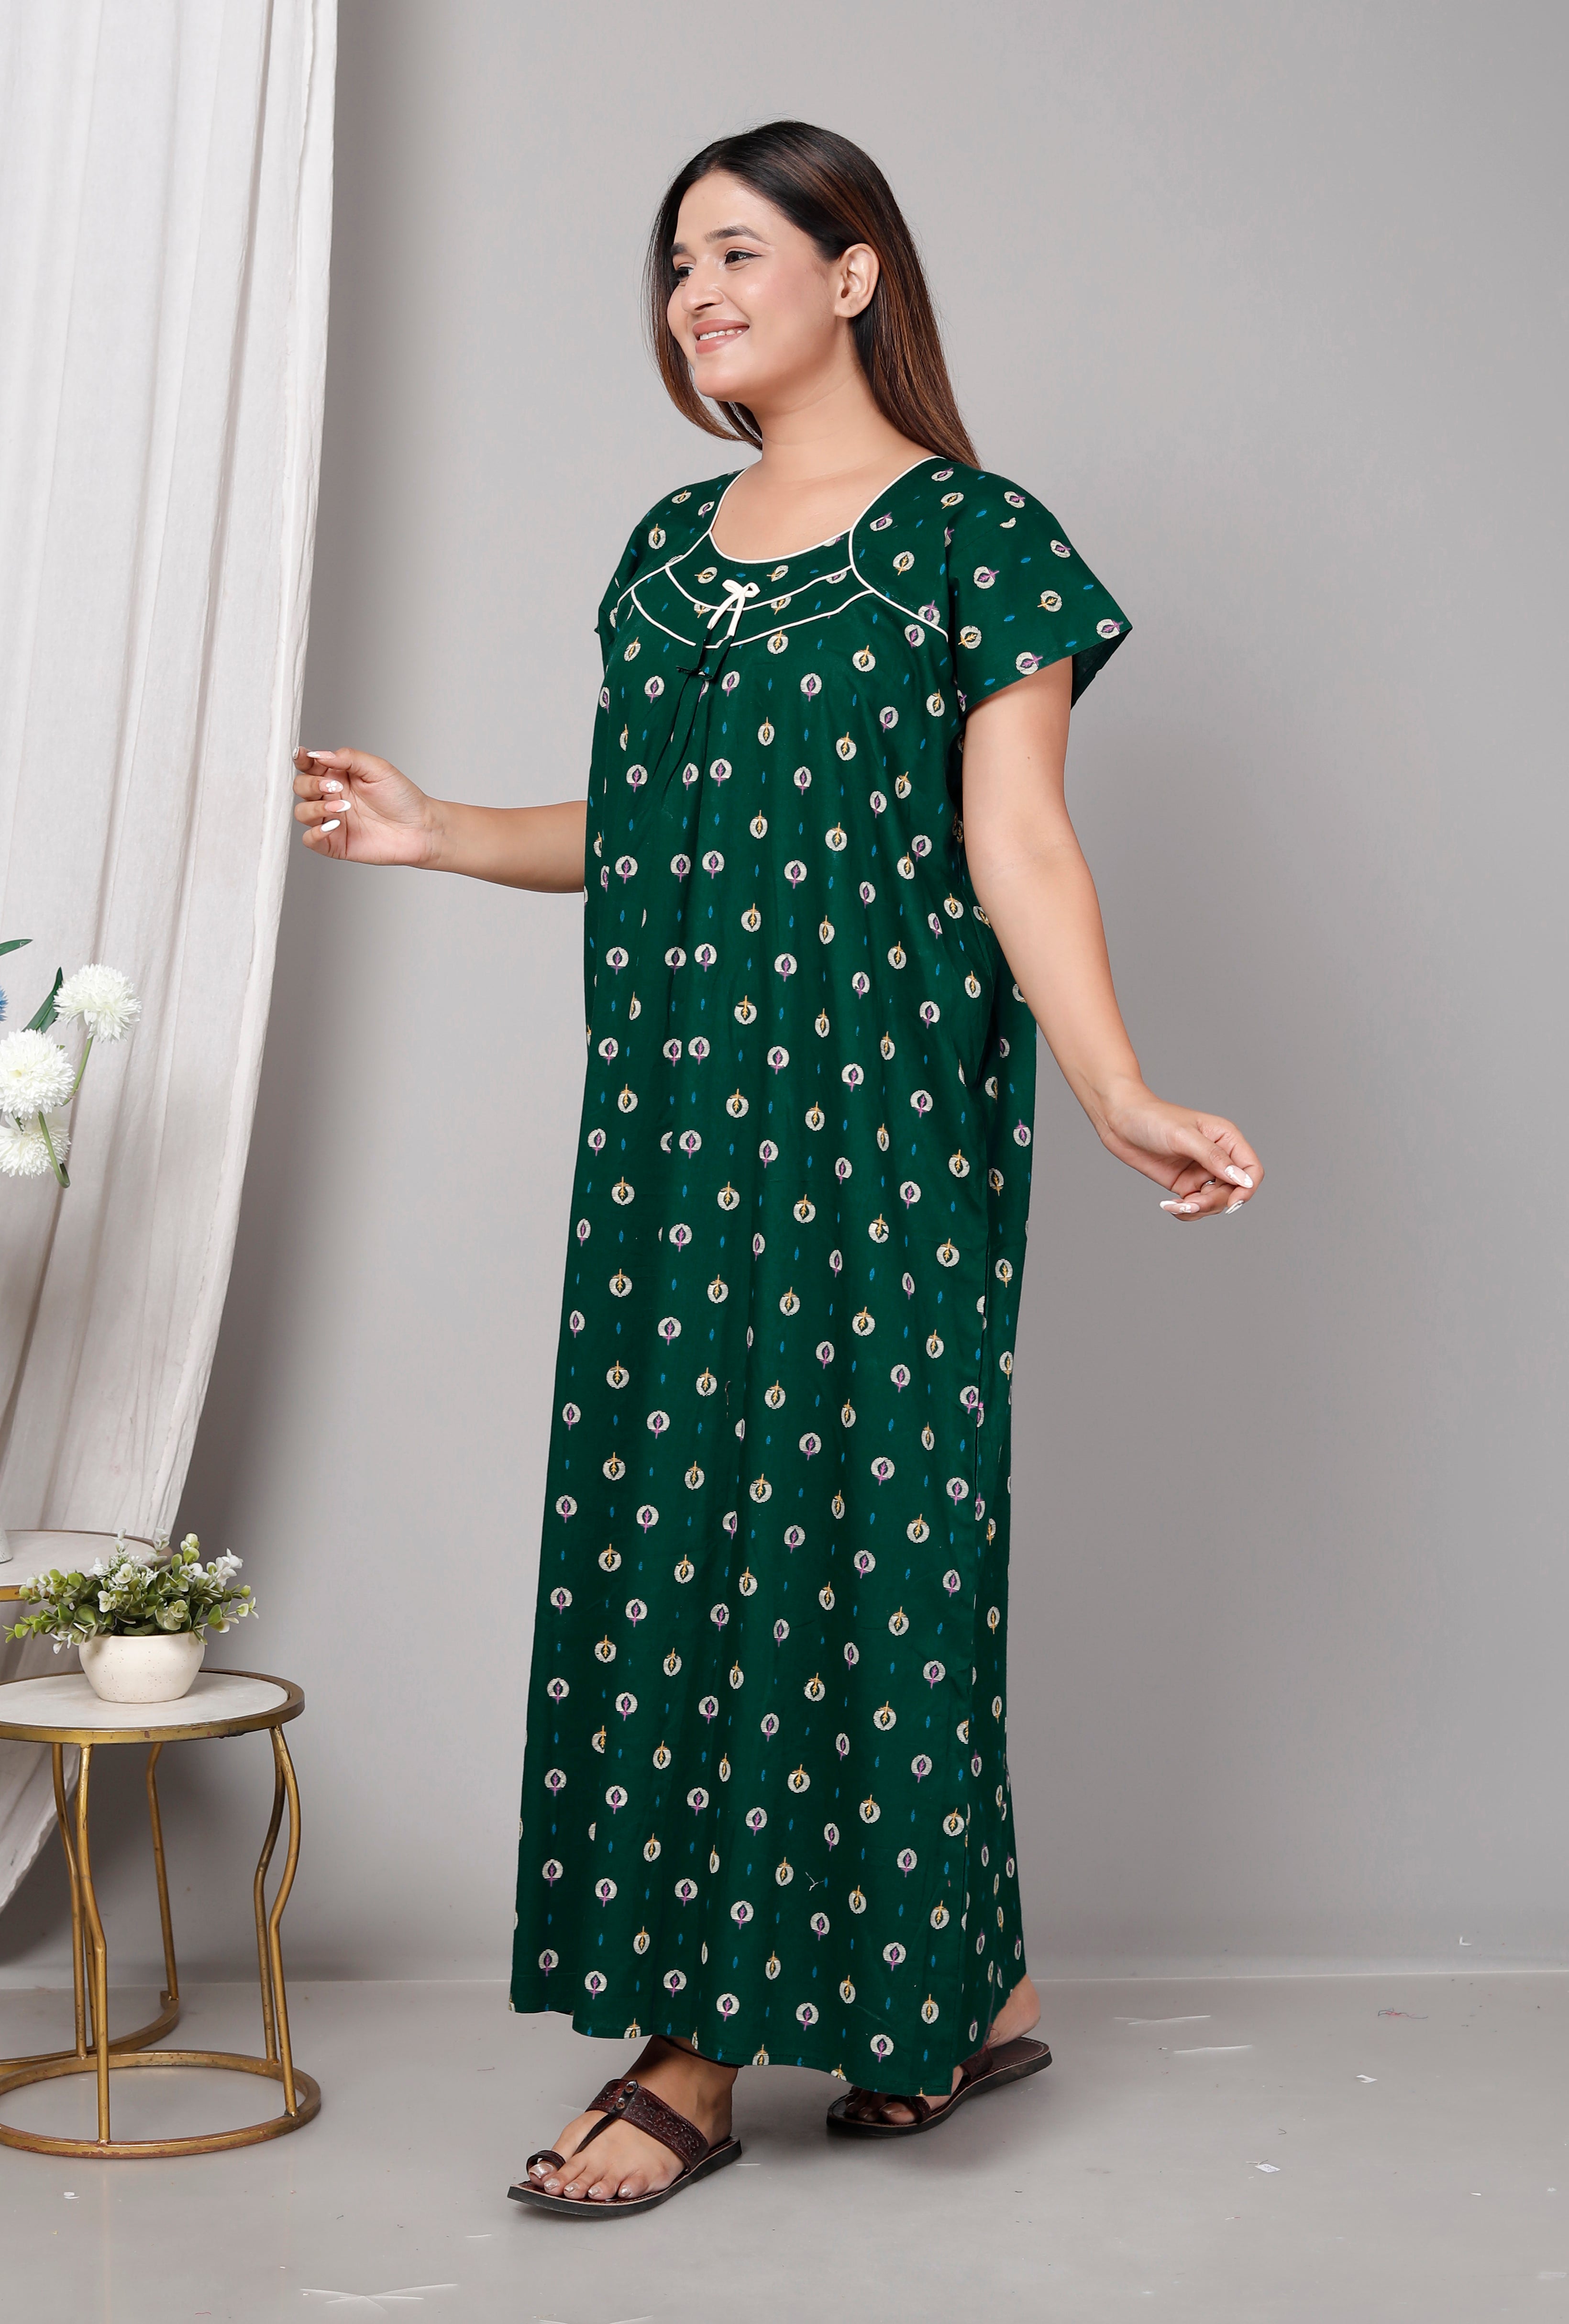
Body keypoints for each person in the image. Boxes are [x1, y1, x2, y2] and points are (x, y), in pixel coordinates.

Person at [292, 120, 1262, 2216]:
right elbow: (661, 821)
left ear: (853, 273)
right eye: (675, 265)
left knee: (859, 1536)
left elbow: (1016, 838)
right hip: (669, 1131)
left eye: (737, 252)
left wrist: (1112, 1082)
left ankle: (693, 2056)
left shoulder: (975, 539)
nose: (696, 296)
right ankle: (964, 1991)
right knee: (672, 1537)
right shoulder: (665, 547)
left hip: (878, 1127)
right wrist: (443, 831)